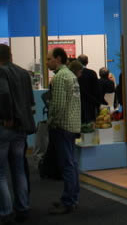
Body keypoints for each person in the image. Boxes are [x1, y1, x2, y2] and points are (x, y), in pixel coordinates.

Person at [0, 43, 36, 225]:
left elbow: (4, 94)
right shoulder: (23, 73)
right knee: (19, 169)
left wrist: (8, 116)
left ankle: (5, 213)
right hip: (21, 129)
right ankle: (22, 208)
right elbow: (29, 100)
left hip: (3, 127)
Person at [46, 47, 81, 215]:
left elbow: (58, 105)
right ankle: (72, 197)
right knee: (72, 163)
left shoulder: (60, 77)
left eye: (49, 59)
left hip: (62, 126)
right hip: (72, 124)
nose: (47, 62)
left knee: (67, 164)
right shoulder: (71, 75)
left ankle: (68, 201)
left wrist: (51, 121)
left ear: (58, 58)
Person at [77, 54, 102, 124]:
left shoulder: (74, 73)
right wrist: (98, 103)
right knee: (90, 124)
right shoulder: (92, 73)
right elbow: (97, 90)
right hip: (90, 103)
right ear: (87, 62)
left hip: (78, 103)